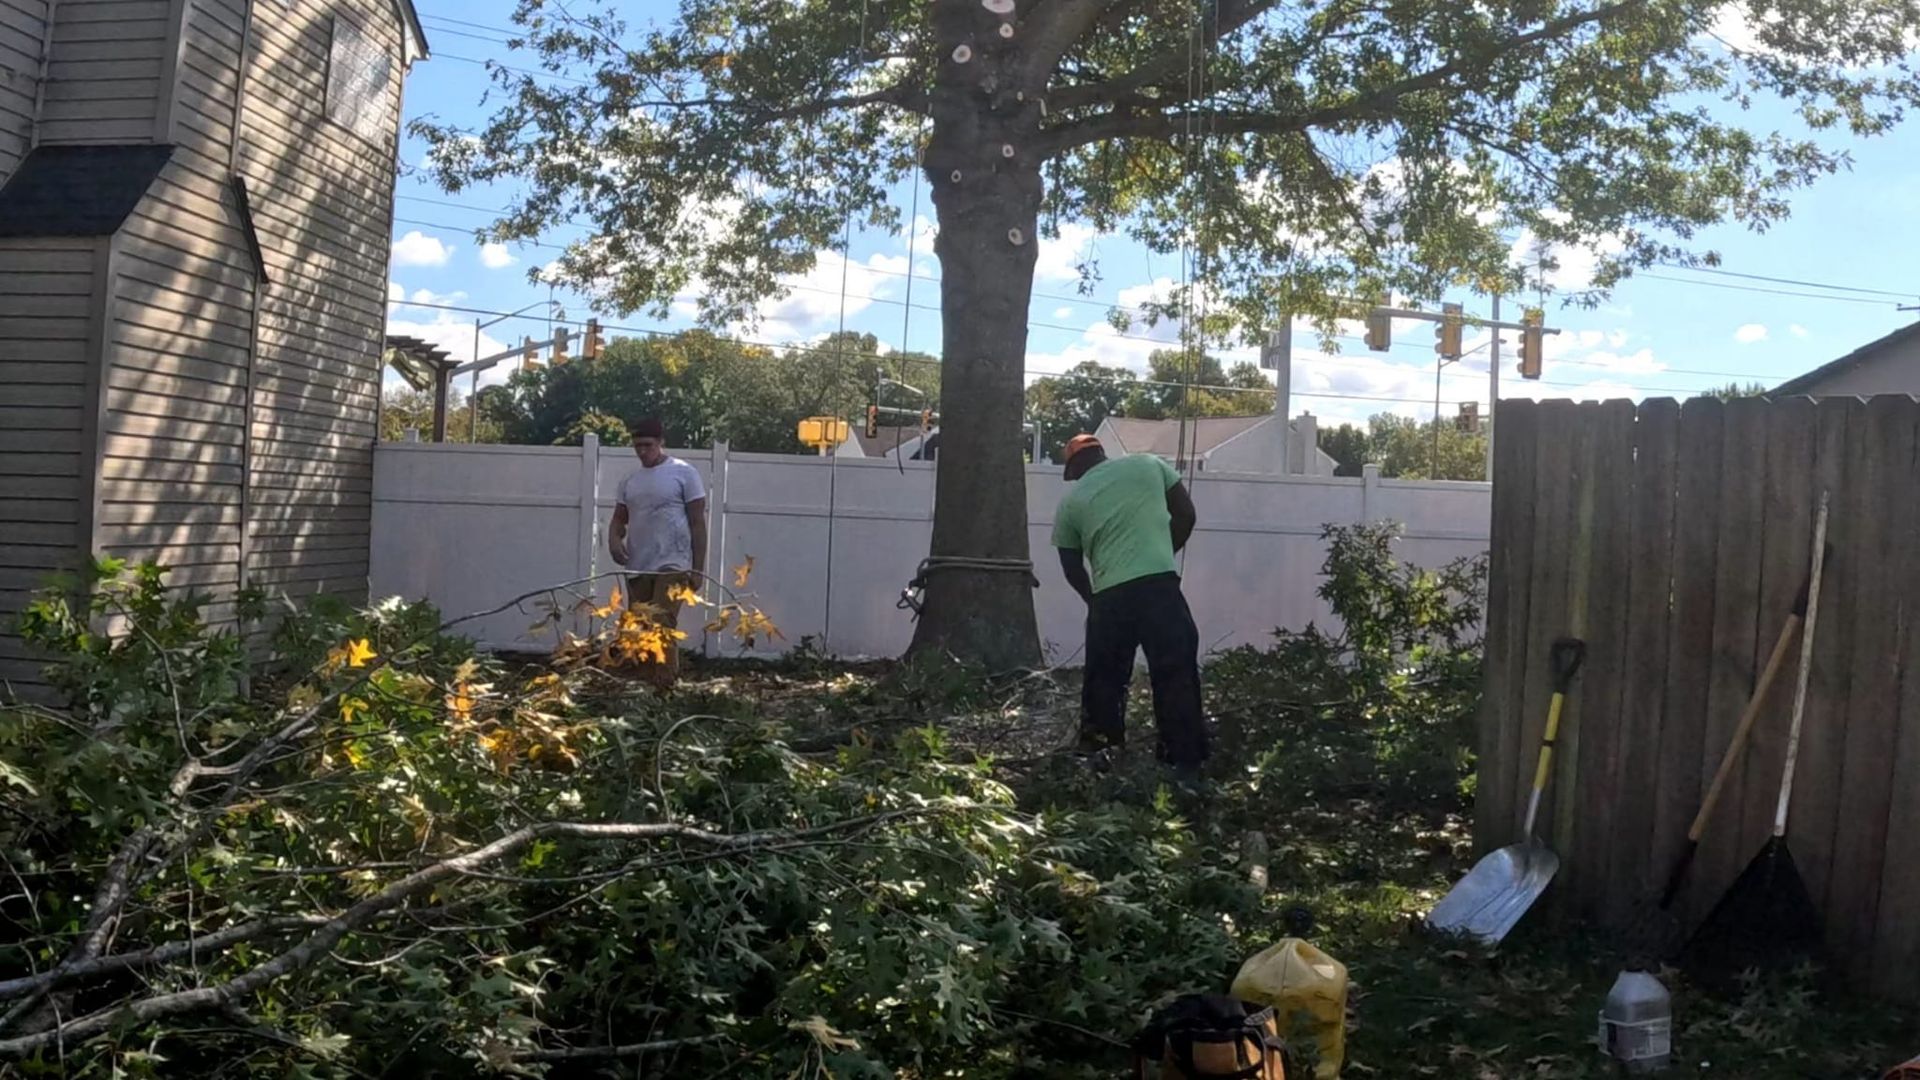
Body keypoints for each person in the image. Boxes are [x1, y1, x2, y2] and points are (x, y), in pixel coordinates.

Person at [1052, 433, 1208, 770]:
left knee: (1104, 683)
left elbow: (1071, 567)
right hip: (1159, 587)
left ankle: (1101, 759)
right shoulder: (1148, 465)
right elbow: (1186, 514)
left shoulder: (1070, 503)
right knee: (1175, 674)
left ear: (1075, 468)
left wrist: (1093, 602)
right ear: (1101, 455)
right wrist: (1162, 553)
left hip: (1110, 597)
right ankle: (1183, 764)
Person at [608, 418, 707, 688]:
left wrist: (697, 568)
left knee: (662, 621)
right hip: (639, 564)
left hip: (673, 562)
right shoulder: (630, 480)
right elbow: (619, 519)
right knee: (639, 626)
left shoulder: (684, 473)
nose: (642, 451)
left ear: (661, 443)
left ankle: (666, 685)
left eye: (648, 445)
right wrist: (614, 541)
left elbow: (698, 522)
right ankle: (642, 684)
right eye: (637, 446)